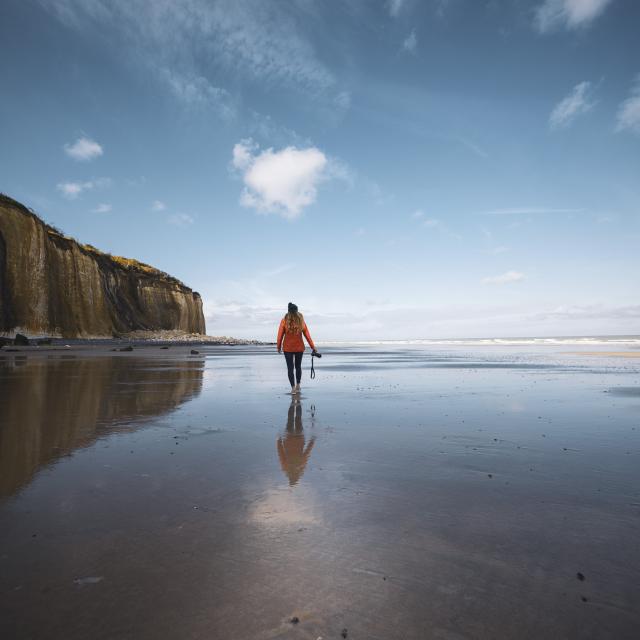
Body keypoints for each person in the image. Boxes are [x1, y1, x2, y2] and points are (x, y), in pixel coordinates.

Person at [276, 302, 316, 394]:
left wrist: (278, 347)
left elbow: (280, 336)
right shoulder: (301, 321)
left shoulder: (284, 320)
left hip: (287, 348)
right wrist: (313, 347)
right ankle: (298, 385)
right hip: (299, 348)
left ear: (288, 311)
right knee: (298, 367)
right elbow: (307, 335)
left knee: (290, 368)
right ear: (297, 311)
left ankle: (293, 388)